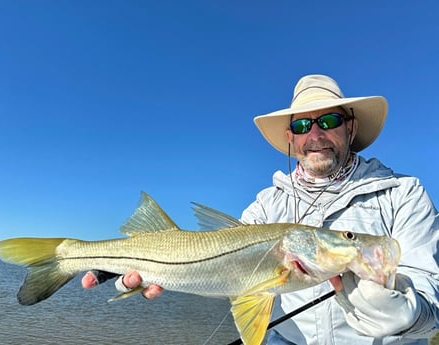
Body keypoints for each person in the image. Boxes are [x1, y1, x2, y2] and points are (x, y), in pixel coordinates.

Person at [82, 74, 439, 344]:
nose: (315, 133)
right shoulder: (266, 205)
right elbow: (213, 252)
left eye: (329, 121)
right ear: (291, 138)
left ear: (351, 127)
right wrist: (128, 261)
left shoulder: (402, 194)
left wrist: (406, 311)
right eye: (302, 125)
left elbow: (432, 304)